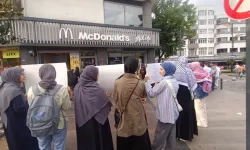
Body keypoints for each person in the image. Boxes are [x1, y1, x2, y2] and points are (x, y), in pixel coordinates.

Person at [27, 64, 71, 150]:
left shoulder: (32, 90)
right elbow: (67, 107)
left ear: (41, 74)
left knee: (43, 147)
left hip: (39, 122)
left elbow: (31, 107)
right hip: (59, 123)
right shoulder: (61, 89)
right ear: (54, 74)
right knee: (59, 147)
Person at [114, 57, 151, 150]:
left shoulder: (117, 82)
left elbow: (116, 99)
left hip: (123, 118)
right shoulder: (140, 83)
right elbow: (143, 96)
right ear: (136, 68)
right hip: (138, 118)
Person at [73, 65, 114, 150]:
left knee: (86, 143)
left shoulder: (77, 87)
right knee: (99, 142)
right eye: (97, 74)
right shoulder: (97, 89)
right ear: (92, 75)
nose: (98, 76)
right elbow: (104, 104)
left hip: (83, 121)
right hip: (97, 123)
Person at [0, 67, 39, 150]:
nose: (24, 76)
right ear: (13, 76)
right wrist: (30, 102)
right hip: (20, 126)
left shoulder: (4, 88)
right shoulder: (14, 90)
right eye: (21, 74)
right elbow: (20, 109)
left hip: (10, 125)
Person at [145, 62, 179, 150]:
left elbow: (151, 93)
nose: (159, 71)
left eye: (161, 69)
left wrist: (147, 81)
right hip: (173, 113)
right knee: (171, 137)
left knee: (159, 137)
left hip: (165, 115)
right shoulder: (174, 80)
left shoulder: (164, 82)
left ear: (167, 70)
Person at [173, 56, 198, 141]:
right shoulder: (188, 70)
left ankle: (177, 134)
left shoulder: (175, 70)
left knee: (178, 113)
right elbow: (193, 84)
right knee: (187, 114)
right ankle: (186, 135)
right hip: (187, 95)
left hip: (177, 94)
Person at [189, 62, 212, 128]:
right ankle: (205, 121)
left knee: (198, 108)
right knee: (203, 107)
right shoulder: (204, 71)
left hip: (197, 92)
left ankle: (201, 122)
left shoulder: (194, 73)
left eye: (191, 67)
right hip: (204, 92)